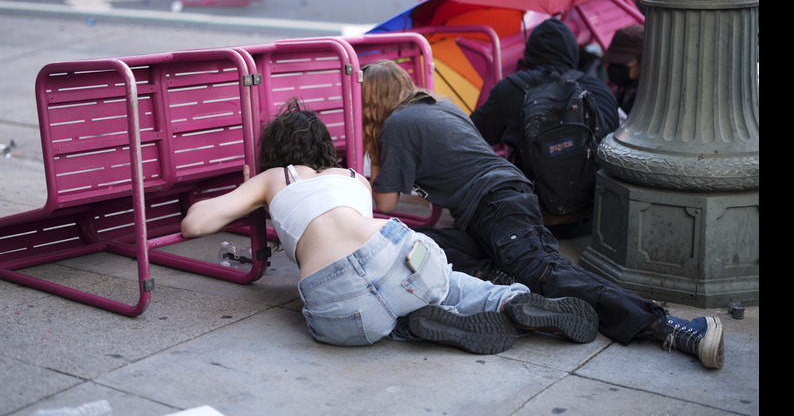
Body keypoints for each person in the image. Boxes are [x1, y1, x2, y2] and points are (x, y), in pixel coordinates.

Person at [361, 60, 726, 369]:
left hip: (496, 203)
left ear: (370, 103)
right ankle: (509, 294)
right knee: (424, 247)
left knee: (548, 273)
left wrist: (372, 150)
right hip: (493, 205)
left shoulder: (396, 126)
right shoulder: (438, 106)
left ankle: (669, 327)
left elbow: (387, 202)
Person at [179, 99, 599, 355]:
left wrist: (252, 200)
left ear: (277, 154)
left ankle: (410, 327)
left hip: (338, 302)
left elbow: (195, 225)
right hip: (397, 253)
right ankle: (508, 302)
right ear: (326, 147)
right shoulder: (352, 178)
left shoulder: (278, 178)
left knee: (342, 322)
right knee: (446, 280)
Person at [469, 18, 620, 238]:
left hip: (536, 222)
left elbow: (470, 137)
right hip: (592, 219)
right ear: (572, 52)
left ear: (530, 52)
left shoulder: (512, 88)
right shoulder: (599, 90)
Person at [602, 24, 645, 119]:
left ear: (642, 61)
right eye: (612, 62)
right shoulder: (622, 89)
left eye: (621, 63)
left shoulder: (648, 99)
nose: (615, 67)